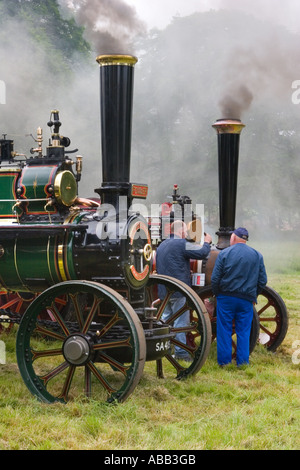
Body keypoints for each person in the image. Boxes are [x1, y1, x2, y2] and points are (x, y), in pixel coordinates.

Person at [156, 220, 212, 361]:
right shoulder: (181, 243)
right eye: (185, 232)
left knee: (166, 321)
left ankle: (165, 350)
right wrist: (207, 241)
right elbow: (203, 253)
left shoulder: (162, 245)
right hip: (178, 291)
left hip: (164, 291)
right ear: (181, 231)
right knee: (181, 323)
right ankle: (181, 353)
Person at [211, 227, 267, 367]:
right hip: (246, 299)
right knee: (244, 331)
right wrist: (253, 295)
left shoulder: (224, 254)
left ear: (234, 238)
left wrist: (217, 294)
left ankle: (224, 362)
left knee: (224, 329)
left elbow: (215, 278)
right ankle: (242, 362)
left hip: (226, 297)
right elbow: (262, 280)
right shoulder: (257, 255)